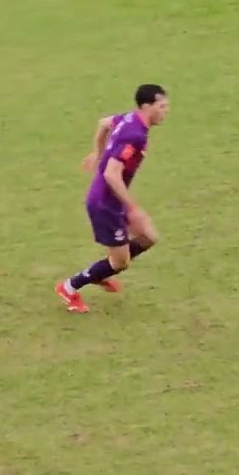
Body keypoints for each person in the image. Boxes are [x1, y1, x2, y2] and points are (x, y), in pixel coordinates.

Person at [56, 84, 169, 313]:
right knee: (121, 262)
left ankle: (103, 271)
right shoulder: (134, 134)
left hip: (113, 199)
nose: (165, 111)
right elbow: (111, 174)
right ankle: (69, 287)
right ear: (147, 107)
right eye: (162, 106)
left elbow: (104, 123)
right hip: (105, 203)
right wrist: (133, 207)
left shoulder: (131, 119)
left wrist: (98, 152)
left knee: (148, 236)